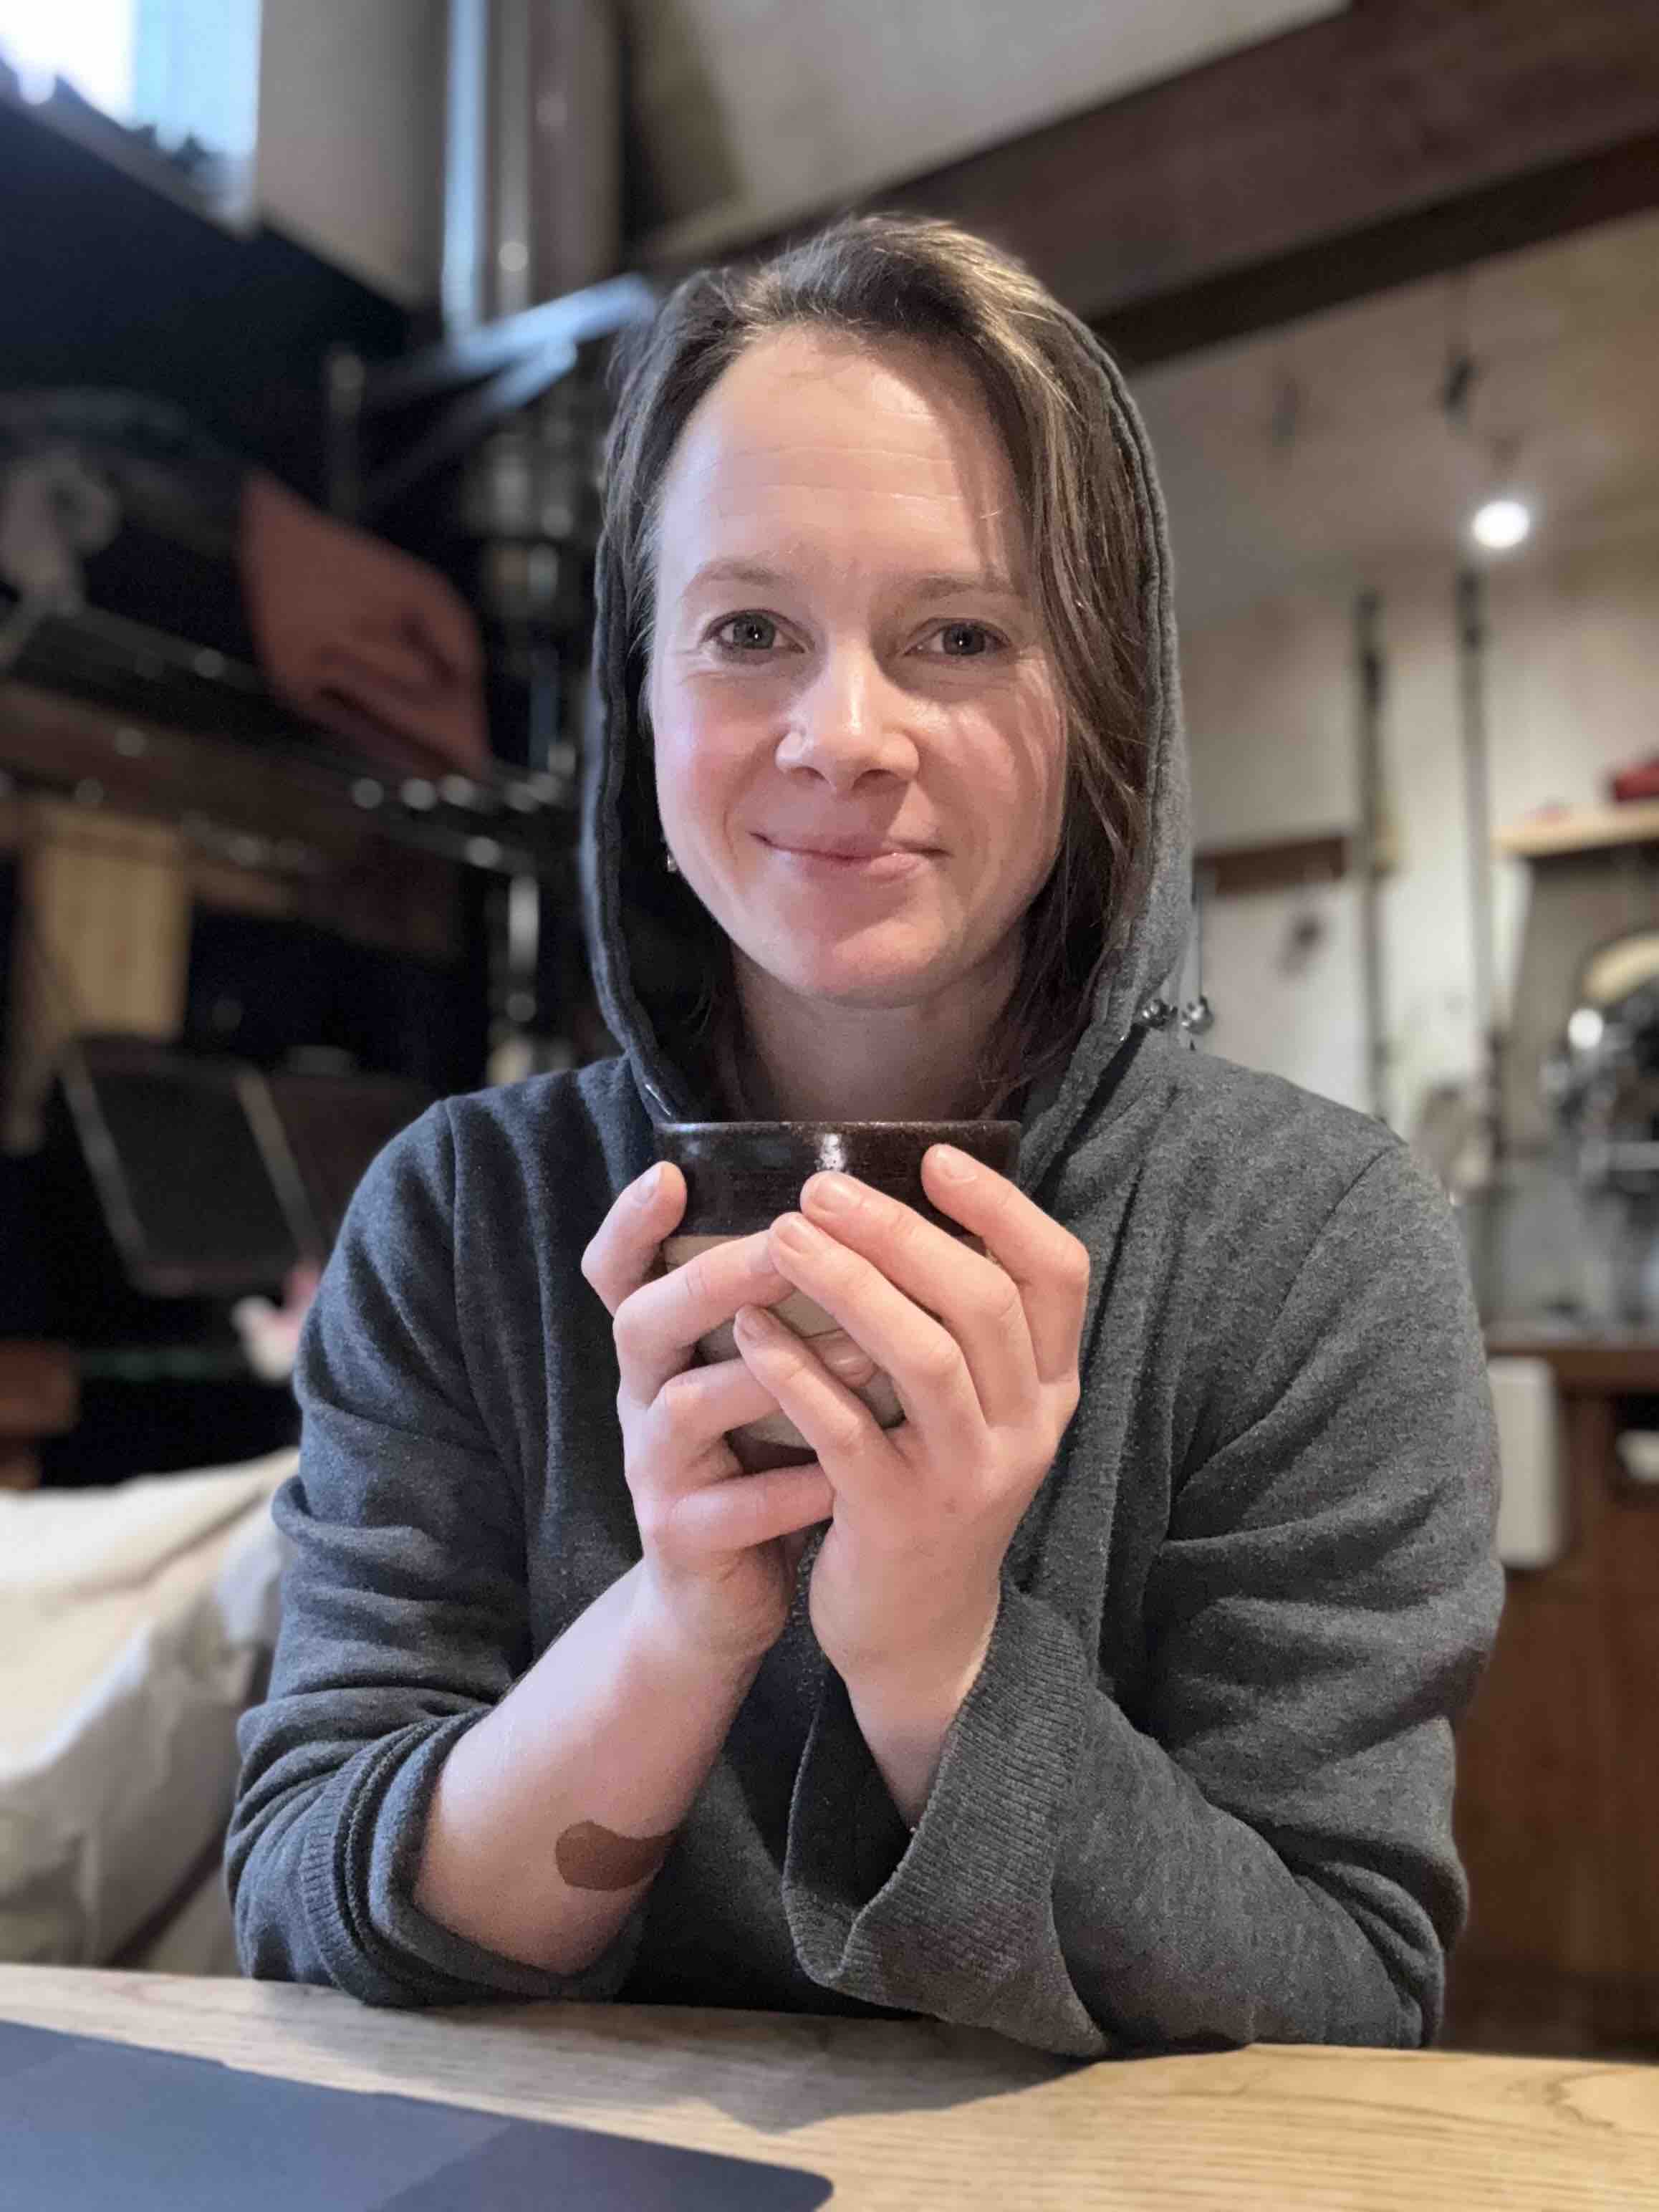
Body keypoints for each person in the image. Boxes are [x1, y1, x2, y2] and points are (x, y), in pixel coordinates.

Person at [227, 214, 1502, 2058]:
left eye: (961, 634)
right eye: (748, 631)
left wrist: (934, 1646)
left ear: (1105, 702)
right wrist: (679, 1620)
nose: (842, 734)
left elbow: (1348, 2000)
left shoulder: (1311, 1241)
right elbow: (306, 1900)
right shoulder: (465, 1214)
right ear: (640, 696)